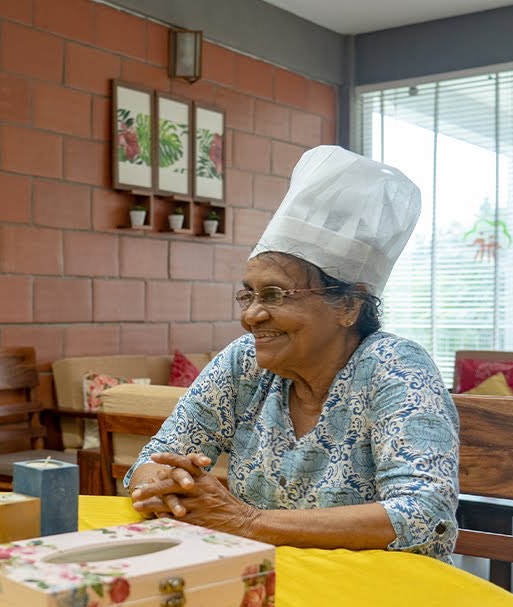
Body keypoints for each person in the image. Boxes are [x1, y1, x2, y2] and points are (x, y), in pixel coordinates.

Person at [126, 146, 459, 561]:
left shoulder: (395, 367)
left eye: (274, 294)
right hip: (273, 581)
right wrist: (172, 484)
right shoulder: (243, 363)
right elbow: (151, 460)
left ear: (349, 306)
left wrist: (248, 522)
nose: (251, 316)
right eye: (247, 295)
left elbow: (425, 514)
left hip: (383, 594)